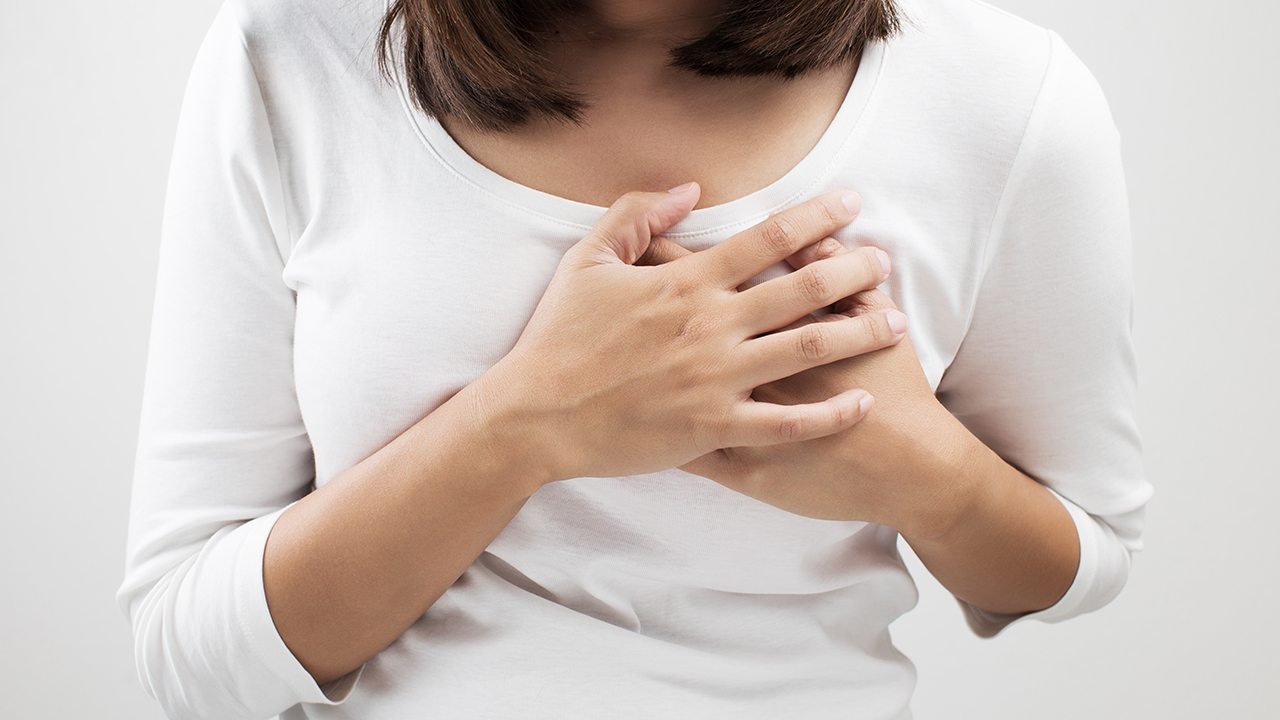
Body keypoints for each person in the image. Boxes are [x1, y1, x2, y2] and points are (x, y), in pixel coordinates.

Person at [117, 0, 1152, 717]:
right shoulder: (292, 50)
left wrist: (933, 479)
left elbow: (1084, 558)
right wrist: (527, 425)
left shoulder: (1002, 94)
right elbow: (188, 653)